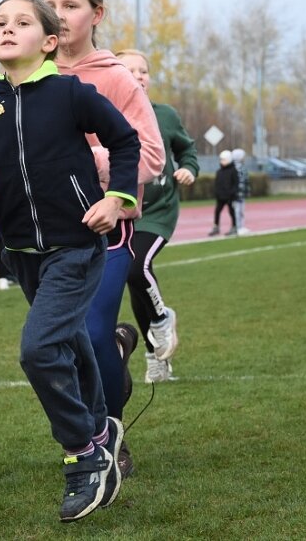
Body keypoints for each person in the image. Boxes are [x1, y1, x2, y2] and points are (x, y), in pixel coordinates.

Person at [0, 0, 140, 523]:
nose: (8, 29)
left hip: (76, 245)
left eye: (22, 22)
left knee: (38, 349)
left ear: (49, 42)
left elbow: (125, 142)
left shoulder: (73, 93)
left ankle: (84, 455)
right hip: (20, 251)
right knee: (68, 342)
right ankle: (101, 427)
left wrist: (115, 199)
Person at [41, 0, 166, 478]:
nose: (60, 15)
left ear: (97, 14)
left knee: (89, 335)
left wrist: (83, 157)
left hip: (108, 232)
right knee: (62, 345)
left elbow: (153, 157)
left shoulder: (114, 77)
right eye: (51, 5)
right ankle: (116, 349)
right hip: (46, 237)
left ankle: (109, 436)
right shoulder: (26, 76)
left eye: (72, 5)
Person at [117, 49, 199, 394]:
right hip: (121, 210)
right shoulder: (104, 115)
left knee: (137, 269)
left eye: (144, 70)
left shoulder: (164, 115)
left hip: (158, 210)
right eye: (130, 70)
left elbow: (187, 149)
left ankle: (163, 318)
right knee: (133, 283)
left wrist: (188, 169)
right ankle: (155, 355)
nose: (139, 75)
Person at [209, 150, 239, 236]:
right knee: (217, 211)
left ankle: (234, 227)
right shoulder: (219, 172)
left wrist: (233, 194)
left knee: (231, 212)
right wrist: (217, 193)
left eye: (224, 160)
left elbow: (235, 184)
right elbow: (217, 184)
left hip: (230, 196)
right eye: (221, 160)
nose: (222, 161)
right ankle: (216, 227)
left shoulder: (233, 171)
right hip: (220, 196)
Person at [232, 148, 251, 234]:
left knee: (241, 211)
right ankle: (238, 227)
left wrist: (247, 191)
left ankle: (241, 226)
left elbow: (246, 180)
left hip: (241, 193)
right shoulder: (234, 168)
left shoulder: (243, 168)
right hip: (236, 193)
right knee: (237, 211)